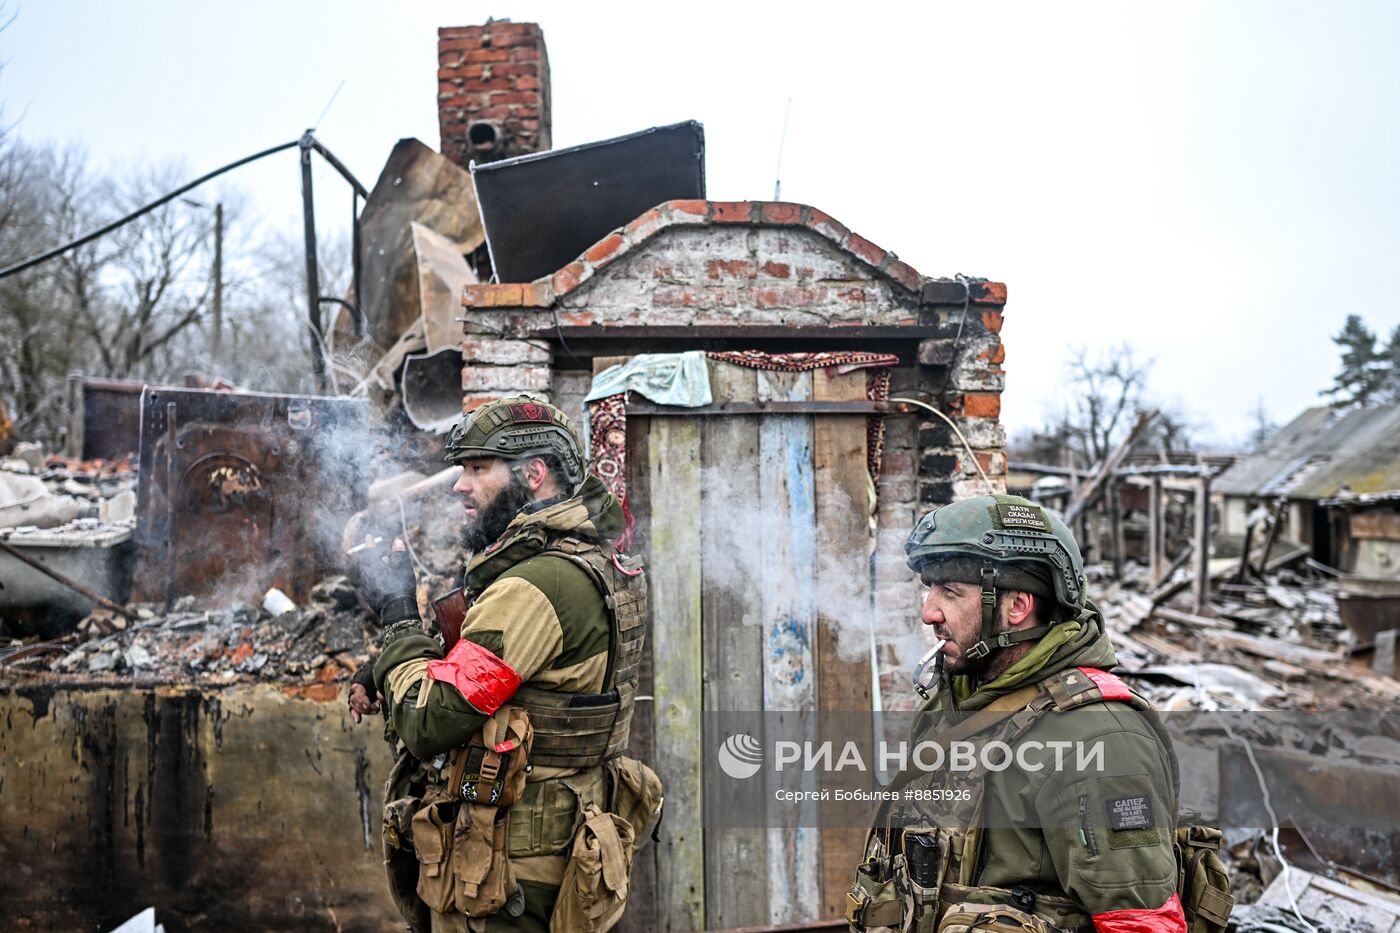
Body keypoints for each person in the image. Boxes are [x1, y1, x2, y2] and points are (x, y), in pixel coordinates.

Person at [845, 494, 1228, 933]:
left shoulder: (1099, 738)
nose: (929, 610)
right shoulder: (957, 697)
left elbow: (1140, 923)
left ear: (1017, 607)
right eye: (930, 588)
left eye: (950, 592)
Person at [348, 396, 660, 933]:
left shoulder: (536, 585)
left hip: (506, 876)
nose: (458, 485)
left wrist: (397, 613)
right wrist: (385, 669)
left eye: (476, 468)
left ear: (533, 473)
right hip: (549, 853)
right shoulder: (583, 559)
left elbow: (430, 720)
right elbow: (504, 671)